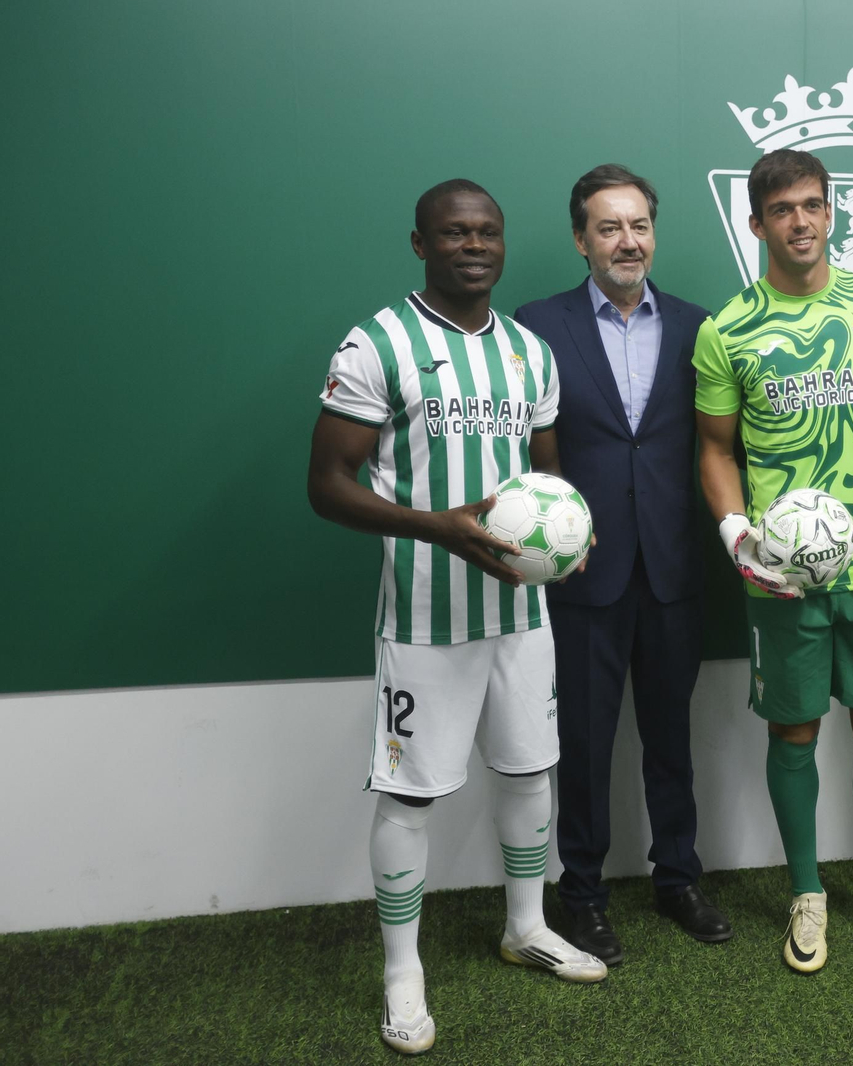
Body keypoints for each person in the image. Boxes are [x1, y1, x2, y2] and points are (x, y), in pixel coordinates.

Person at [308, 179, 606, 1056]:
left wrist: (569, 535)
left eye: (487, 233)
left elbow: (548, 485)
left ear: (504, 243)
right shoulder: (379, 342)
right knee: (409, 791)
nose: (473, 246)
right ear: (420, 243)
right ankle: (402, 970)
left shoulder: (527, 352)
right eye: (453, 233)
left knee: (529, 774)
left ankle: (527, 926)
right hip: (424, 619)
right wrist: (434, 527)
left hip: (521, 614)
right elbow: (326, 487)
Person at [692, 148, 853, 973]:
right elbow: (715, 451)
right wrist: (736, 538)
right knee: (794, 729)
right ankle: (806, 892)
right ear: (756, 224)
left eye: (814, 205)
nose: (801, 221)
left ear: (832, 214)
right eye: (783, 209)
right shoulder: (726, 329)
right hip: (783, 575)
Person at [513, 165, 728, 965]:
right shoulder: (536, 325)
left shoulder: (701, 328)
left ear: (653, 232)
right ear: (581, 239)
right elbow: (523, 449)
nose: (627, 240)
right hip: (582, 576)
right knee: (586, 741)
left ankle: (679, 880)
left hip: (674, 568)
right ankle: (583, 896)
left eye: (638, 225)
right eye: (609, 228)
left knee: (673, 737)